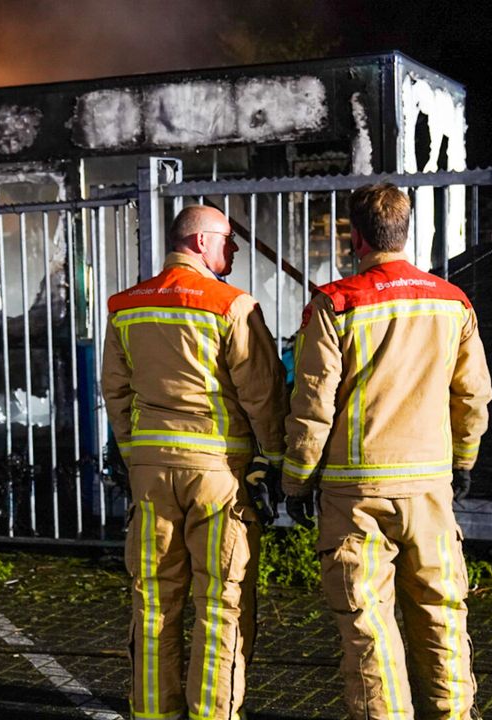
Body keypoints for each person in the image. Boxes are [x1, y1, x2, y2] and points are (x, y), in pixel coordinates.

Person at [282, 184, 492, 719]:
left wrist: (297, 479)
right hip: (428, 490)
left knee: (368, 628)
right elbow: (471, 395)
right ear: (406, 231)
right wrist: (463, 460)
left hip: (356, 493)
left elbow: (313, 403)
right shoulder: (453, 302)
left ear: (356, 238)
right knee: (442, 614)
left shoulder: (336, 303)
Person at [102, 205, 288, 720]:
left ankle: (153, 712)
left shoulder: (126, 306)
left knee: (154, 599)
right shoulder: (231, 306)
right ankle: (213, 712)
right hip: (218, 475)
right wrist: (272, 460)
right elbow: (263, 395)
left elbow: (115, 392)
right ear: (202, 241)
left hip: (149, 473)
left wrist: (131, 451)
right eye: (228, 239)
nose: (233, 249)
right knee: (221, 600)